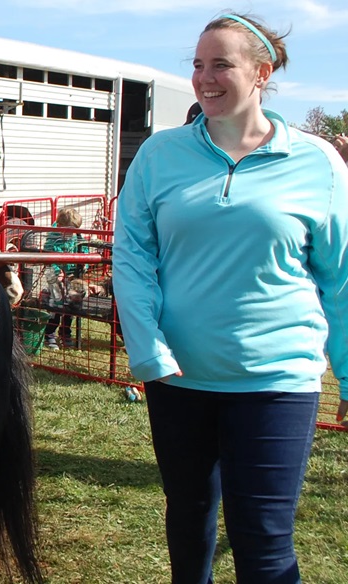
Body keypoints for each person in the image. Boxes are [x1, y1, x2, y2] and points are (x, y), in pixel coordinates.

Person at [112, 12, 348, 583]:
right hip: (177, 380)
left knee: (263, 542)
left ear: (261, 72)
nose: (204, 77)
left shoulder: (316, 161)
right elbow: (133, 258)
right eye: (197, 64)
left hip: (277, 383)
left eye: (221, 64)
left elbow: (341, 279)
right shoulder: (160, 155)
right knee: (189, 534)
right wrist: (148, 353)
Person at [41, 207, 85, 350]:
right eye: (69, 230)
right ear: (60, 227)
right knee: (57, 305)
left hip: (72, 274)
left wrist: (84, 265)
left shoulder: (76, 236)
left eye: (74, 230)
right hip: (56, 276)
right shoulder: (54, 236)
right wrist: (56, 269)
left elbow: (84, 249)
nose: (71, 234)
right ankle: (49, 334)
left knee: (72, 304)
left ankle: (65, 332)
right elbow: (47, 254)